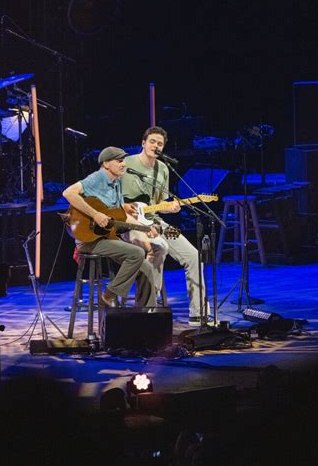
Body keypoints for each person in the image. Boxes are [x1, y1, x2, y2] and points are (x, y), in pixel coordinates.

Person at [121, 126, 209, 325]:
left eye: (160, 144)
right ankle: (148, 310)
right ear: (143, 143)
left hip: (157, 222)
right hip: (131, 224)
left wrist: (171, 208)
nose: (156, 146)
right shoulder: (126, 164)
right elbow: (109, 196)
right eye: (152, 141)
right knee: (158, 247)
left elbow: (160, 204)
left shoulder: (163, 168)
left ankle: (199, 315)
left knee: (194, 256)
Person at [62, 146, 157, 308]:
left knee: (147, 268)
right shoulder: (97, 178)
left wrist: (145, 227)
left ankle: (148, 315)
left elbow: (121, 215)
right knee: (137, 253)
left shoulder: (117, 182)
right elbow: (68, 193)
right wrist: (95, 214)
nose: (123, 164)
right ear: (106, 164)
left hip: (107, 237)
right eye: (119, 161)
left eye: (124, 161)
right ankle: (108, 295)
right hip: (89, 239)